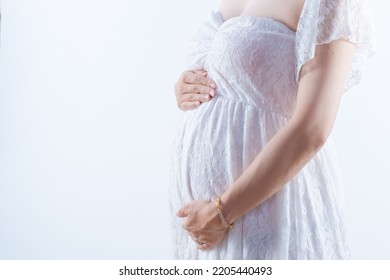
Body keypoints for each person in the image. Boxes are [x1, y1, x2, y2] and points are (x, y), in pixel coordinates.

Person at [170, 0, 376, 259]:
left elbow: (313, 127)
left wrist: (222, 213)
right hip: (202, 228)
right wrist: (187, 85)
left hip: (261, 210)